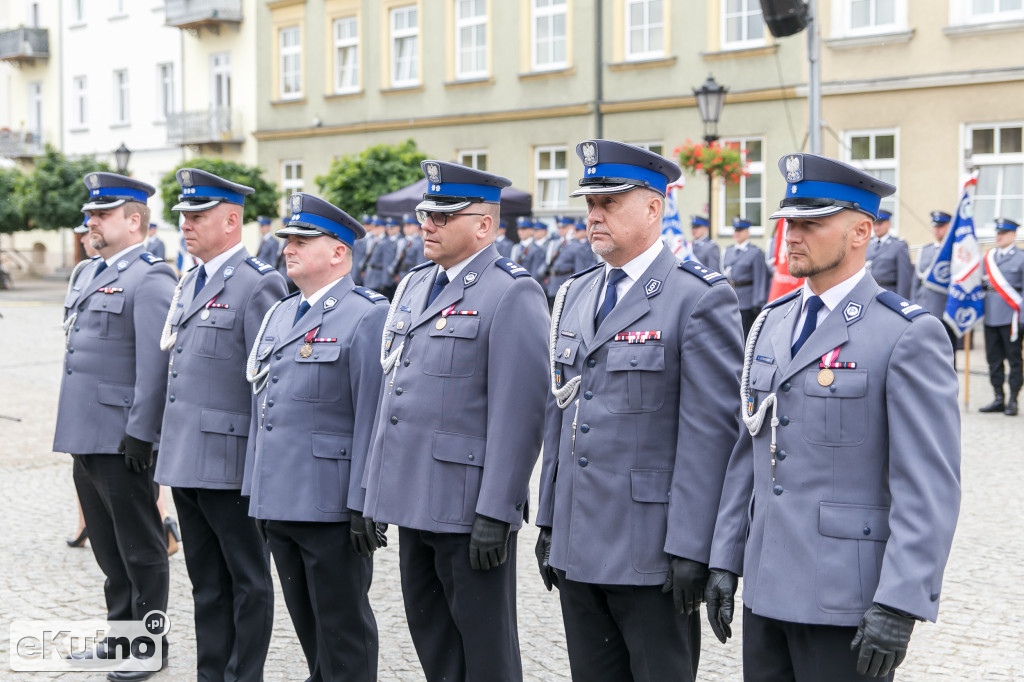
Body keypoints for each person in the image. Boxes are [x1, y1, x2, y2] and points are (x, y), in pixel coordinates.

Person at [705, 153, 961, 681]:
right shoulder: (772, 324)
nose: (791, 236)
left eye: (811, 223)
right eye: (788, 223)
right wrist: (725, 558)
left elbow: (928, 486)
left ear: (861, 231)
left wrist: (900, 601)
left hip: (848, 599)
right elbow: (746, 454)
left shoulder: (906, 334)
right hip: (767, 584)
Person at [535, 140, 743, 682]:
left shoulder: (696, 298)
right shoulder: (577, 294)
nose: (594, 216)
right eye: (589, 204)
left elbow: (710, 437)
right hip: (580, 543)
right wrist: (551, 520)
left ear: (654, 208)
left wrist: (693, 546)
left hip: (652, 551)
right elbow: (563, 413)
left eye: (610, 203)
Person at [362, 160, 550, 682]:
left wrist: (497, 508)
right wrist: (375, 491)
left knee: (486, 651)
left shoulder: (511, 292)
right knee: (434, 641)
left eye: (444, 216)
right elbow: (395, 392)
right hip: (412, 496)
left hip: (467, 506)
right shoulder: (417, 284)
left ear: (484, 225)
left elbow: (522, 413)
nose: (429, 223)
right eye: (427, 213)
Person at [244, 193, 388, 681]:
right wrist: (255, 491)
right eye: (288, 239)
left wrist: (363, 502)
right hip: (279, 500)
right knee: (308, 627)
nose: (289, 247)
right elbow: (263, 408)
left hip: (330, 505)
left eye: (304, 240)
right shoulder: (281, 313)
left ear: (338, 253)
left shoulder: (367, 314)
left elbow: (373, 414)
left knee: (343, 628)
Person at [154, 168, 285, 681]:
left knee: (248, 580)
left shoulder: (258, 284)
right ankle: (212, 672)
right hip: (187, 458)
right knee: (205, 580)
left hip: (232, 465)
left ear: (232, 220)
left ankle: (242, 675)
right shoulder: (191, 280)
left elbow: (269, 386)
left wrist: (261, 470)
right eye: (183, 216)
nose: (186, 224)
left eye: (198, 215)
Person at [55, 172, 176, 679]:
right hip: (85, 431)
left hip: (123, 436)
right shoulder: (87, 274)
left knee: (141, 548)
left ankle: (148, 646)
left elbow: (156, 365)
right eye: (89, 215)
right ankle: (119, 637)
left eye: (101, 215)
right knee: (107, 548)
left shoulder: (151, 279)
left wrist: (141, 433)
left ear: (134, 221)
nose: (90, 223)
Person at [980, 217, 1023, 415]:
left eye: (1003, 233)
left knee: (1014, 359)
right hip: (991, 317)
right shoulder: (988, 257)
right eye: (997, 233)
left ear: (1013, 235)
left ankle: (1013, 399)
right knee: (994, 359)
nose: (998, 236)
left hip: (1011, 317)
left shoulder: (1020, 258)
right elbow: (981, 287)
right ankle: (998, 397)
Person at [911, 211, 958, 361]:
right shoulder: (925, 250)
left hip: (945, 310)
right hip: (924, 307)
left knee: (946, 352)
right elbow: (915, 283)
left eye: (941, 226)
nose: (937, 230)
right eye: (935, 226)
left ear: (949, 227)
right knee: (923, 351)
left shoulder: (956, 250)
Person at [723, 217, 769, 336]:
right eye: (735, 231)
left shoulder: (755, 252)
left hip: (747, 301)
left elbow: (760, 278)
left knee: (745, 333)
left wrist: (758, 301)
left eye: (740, 230)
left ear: (747, 232)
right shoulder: (728, 250)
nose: (737, 233)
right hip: (731, 298)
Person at [865, 210, 912, 299]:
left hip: (888, 293)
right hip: (867, 292)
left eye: (880, 224)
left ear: (888, 224)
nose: (876, 228)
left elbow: (904, 279)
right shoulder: (866, 244)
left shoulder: (898, 246)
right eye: (874, 224)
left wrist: (901, 300)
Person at [544, 216, 577, 306]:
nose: (561, 230)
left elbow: (579, 270)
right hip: (553, 285)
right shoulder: (554, 244)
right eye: (559, 227)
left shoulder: (577, 245)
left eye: (564, 227)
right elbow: (548, 263)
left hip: (567, 286)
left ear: (572, 227)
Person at [389, 212, 426, 284]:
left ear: (416, 226)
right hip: (401, 275)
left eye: (409, 225)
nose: (406, 228)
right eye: (404, 226)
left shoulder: (420, 242)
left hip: (412, 277)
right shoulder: (402, 242)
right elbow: (398, 258)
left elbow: (420, 264)